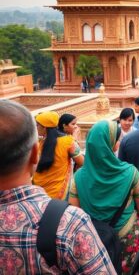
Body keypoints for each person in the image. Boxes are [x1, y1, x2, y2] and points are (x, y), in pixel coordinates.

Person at [0, 101, 116, 274]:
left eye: (39, 125)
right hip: (55, 203)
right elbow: (82, 163)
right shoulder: (69, 223)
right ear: (33, 155)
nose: (38, 128)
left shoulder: (46, 144)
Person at [69, 120, 139, 274]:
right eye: (117, 139)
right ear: (112, 144)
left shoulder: (78, 177)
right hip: (128, 239)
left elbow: (74, 213)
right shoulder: (131, 173)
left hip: (94, 240)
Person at [32, 111, 84, 200]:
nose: (36, 128)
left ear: (45, 128)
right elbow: (82, 162)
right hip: (59, 194)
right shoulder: (68, 142)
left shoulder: (38, 144)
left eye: (37, 125)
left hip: (38, 193)